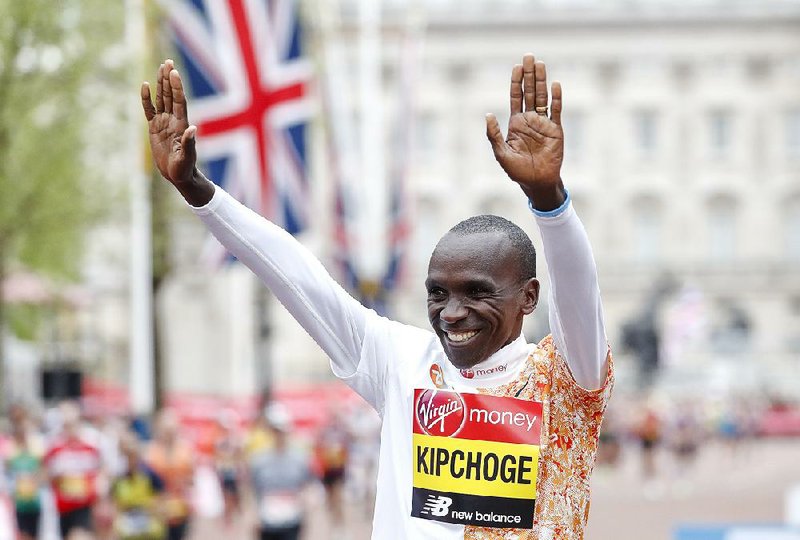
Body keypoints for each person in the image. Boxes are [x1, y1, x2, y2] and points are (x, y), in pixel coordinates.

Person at [141, 52, 613, 539]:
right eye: (437, 293)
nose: (452, 313)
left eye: (477, 292)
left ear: (529, 297)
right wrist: (197, 189)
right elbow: (296, 274)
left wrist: (549, 199)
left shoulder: (566, 379)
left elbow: (580, 296)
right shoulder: (400, 360)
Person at [249, 405, 313, 540]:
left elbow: (307, 485)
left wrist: (306, 512)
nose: (278, 435)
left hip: (291, 519)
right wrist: (253, 515)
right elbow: (252, 489)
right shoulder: (259, 460)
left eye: (281, 431)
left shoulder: (299, 458)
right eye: (275, 431)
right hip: (267, 520)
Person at [43, 401, 103, 540]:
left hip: (85, 505)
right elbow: (46, 474)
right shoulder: (54, 445)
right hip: (62, 507)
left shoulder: (92, 442)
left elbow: (103, 469)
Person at [144, 410, 195, 540]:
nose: (169, 433)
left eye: (172, 429)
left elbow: (191, 479)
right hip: (158, 507)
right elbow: (146, 481)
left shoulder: (185, 450)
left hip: (180, 506)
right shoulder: (151, 452)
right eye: (166, 430)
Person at [110, 432, 167, 540]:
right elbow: (114, 501)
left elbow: (162, 494)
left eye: (132, 456)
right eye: (127, 455)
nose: (130, 460)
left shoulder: (149, 473)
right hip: (127, 518)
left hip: (148, 517)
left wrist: (155, 508)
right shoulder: (118, 476)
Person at [3, 404, 46, 540]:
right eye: (15, 420)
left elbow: (44, 470)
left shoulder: (37, 442)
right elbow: (6, 471)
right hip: (16, 502)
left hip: (36, 500)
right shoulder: (7, 445)